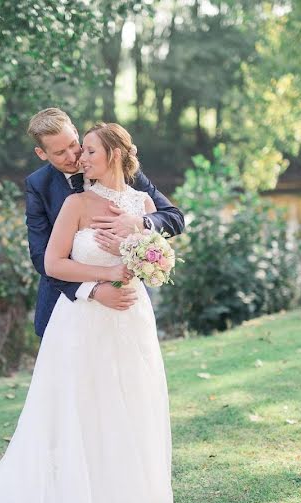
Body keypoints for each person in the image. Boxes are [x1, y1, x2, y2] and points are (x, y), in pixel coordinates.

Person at [0, 121, 174, 503]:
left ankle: (126, 499)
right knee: (78, 405)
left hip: (131, 317)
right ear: (44, 155)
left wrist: (144, 243)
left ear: (110, 154)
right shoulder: (66, 199)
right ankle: (74, 500)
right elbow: (49, 261)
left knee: (130, 399)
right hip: (80, 316)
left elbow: (169, 225)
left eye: (83, 149)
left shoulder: (141, 196)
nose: (77, 158)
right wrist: (103, 280)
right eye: (65, 153)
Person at [20, 108, 184, 338]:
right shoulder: (39, 186)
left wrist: (140, 223)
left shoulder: (122, 168)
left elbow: (174, 217)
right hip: (69, 305)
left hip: (126, 301)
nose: (73, 156)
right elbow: (41, 257)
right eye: (59, 152)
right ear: (41, 153)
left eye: (72, 145)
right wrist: (93, 290)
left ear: (76, 132)